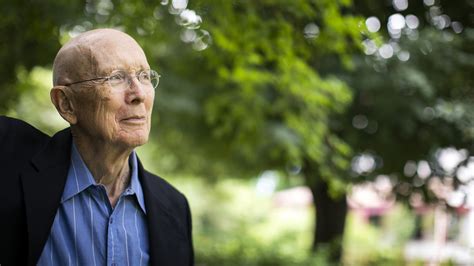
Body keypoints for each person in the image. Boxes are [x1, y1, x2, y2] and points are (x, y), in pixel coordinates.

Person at [0, 29, 194, 266]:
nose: (139, 94)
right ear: (66, 104)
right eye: (115, 77)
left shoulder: (174, 207)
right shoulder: (8, 160)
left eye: (144, 76)